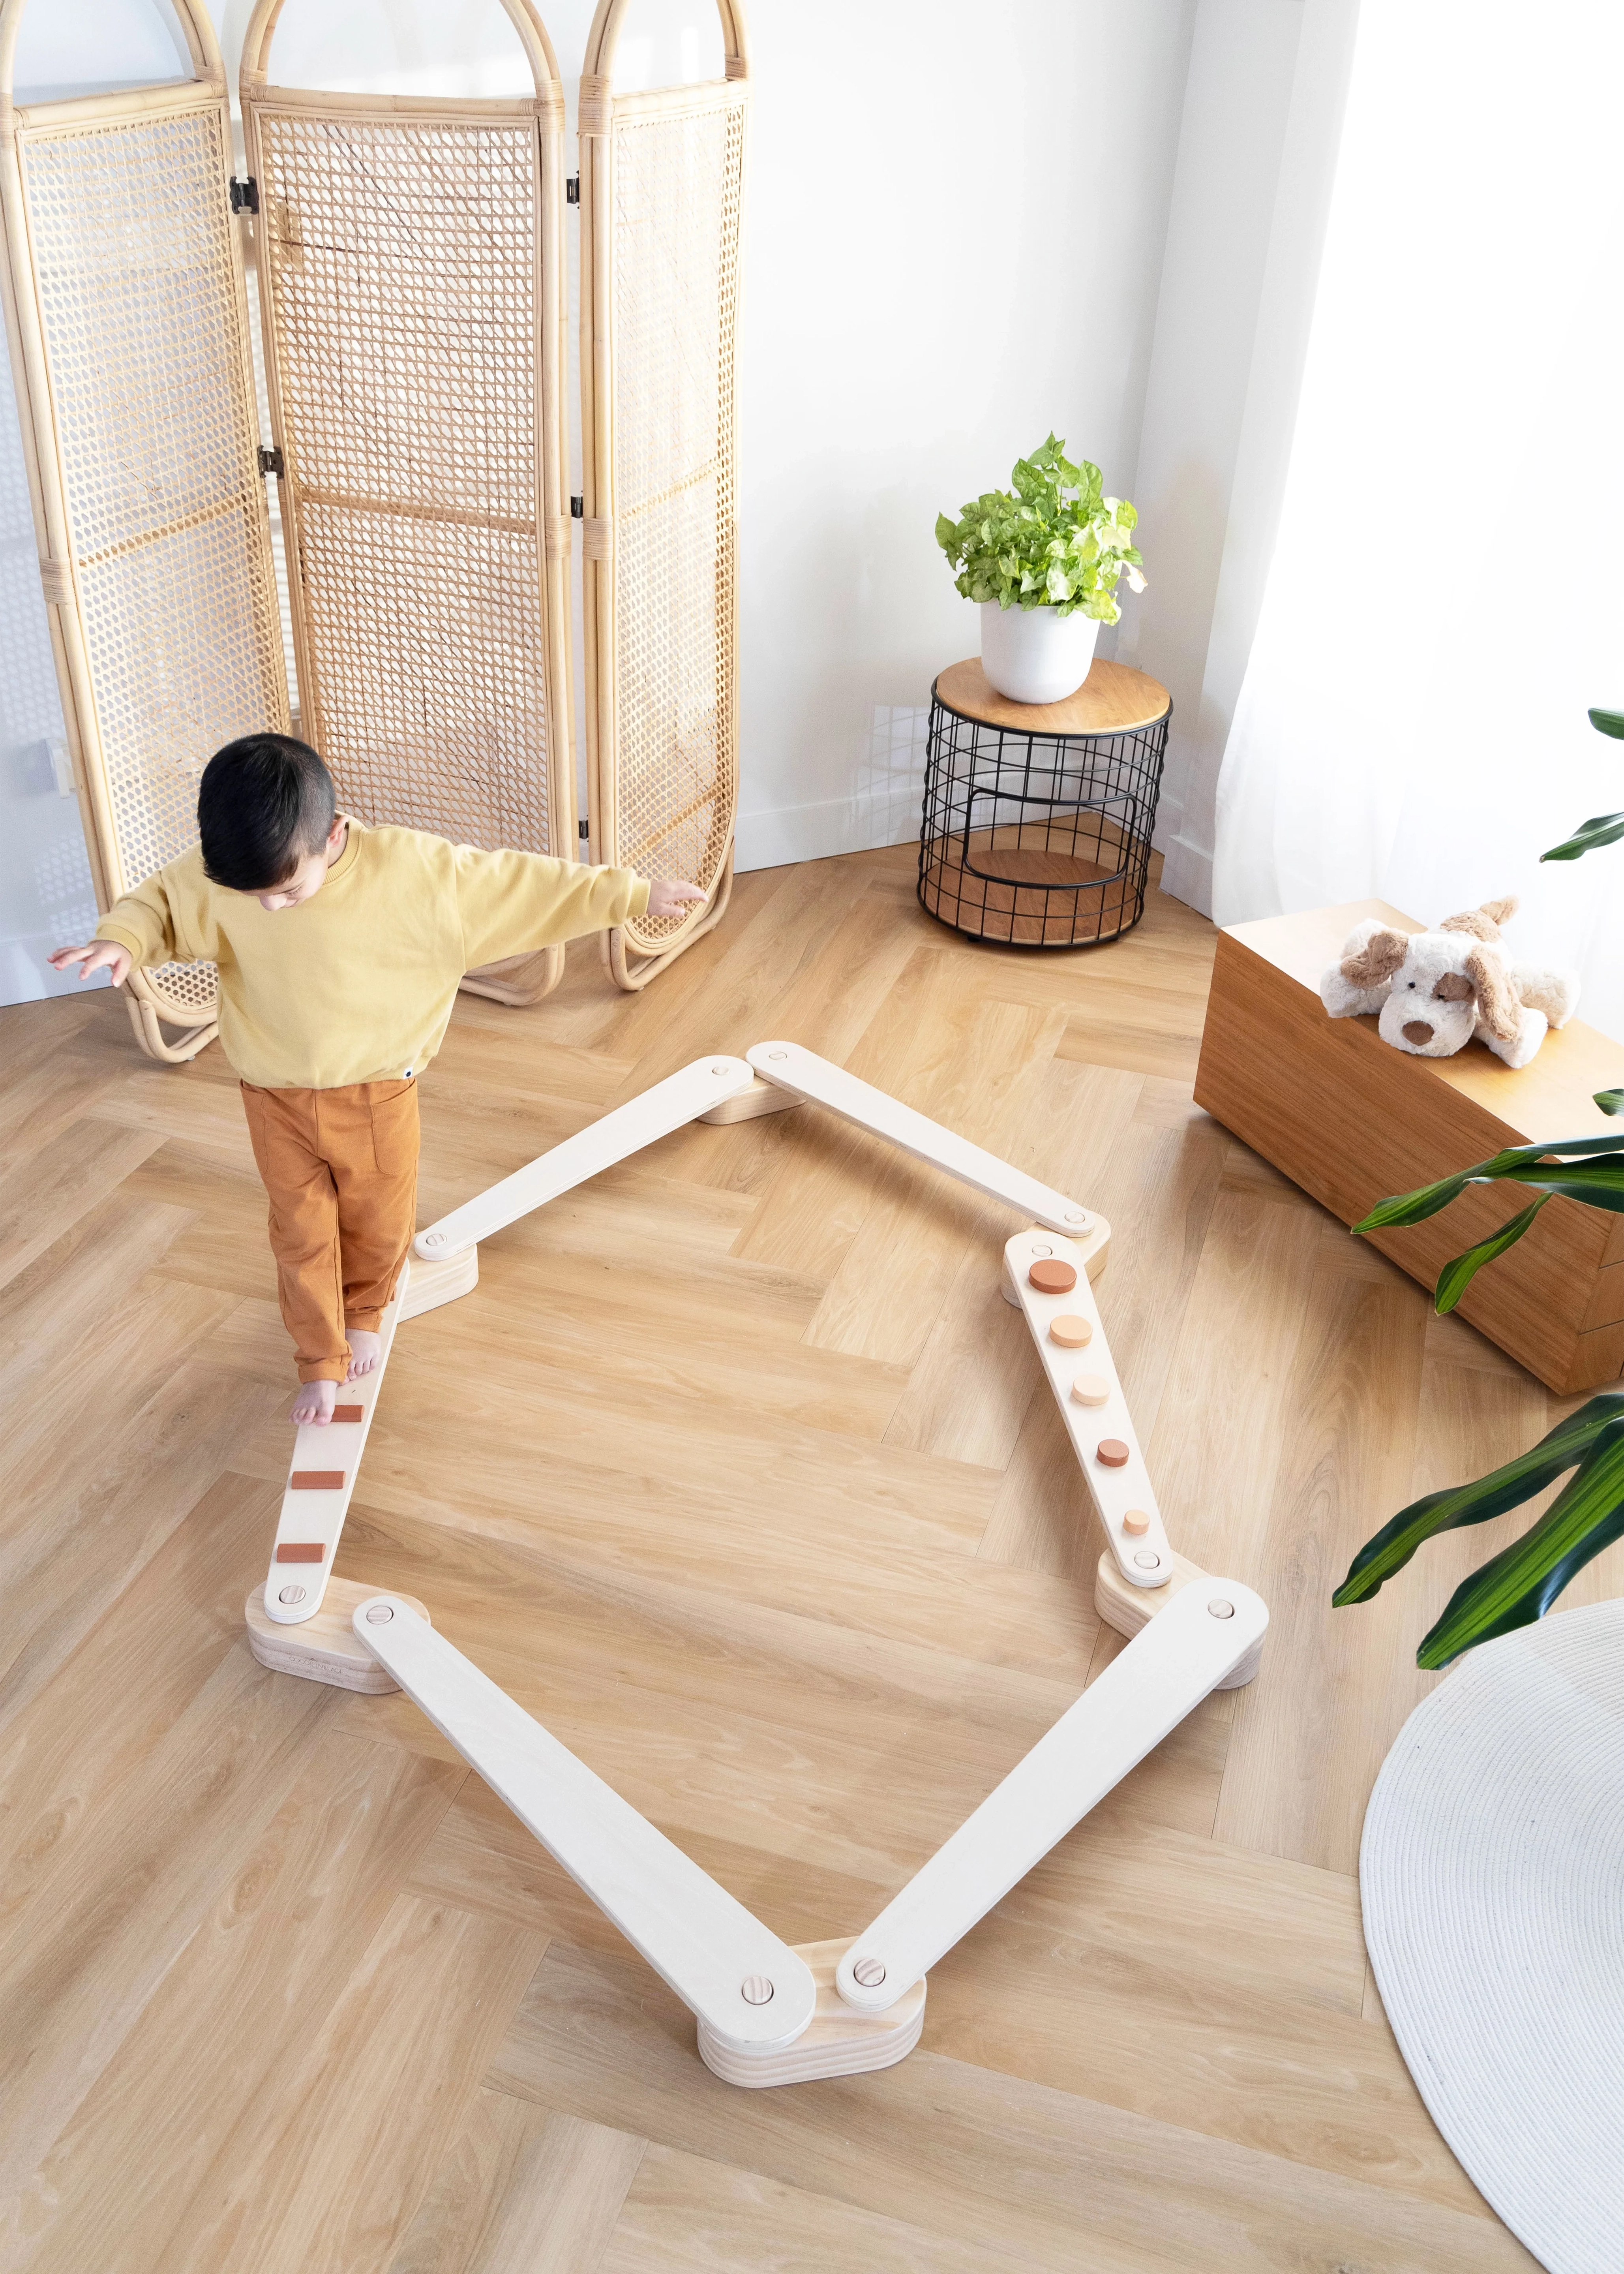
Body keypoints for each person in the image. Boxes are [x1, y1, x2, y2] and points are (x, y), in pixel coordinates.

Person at [50, 734, 705, 1425]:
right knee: (298, 1231)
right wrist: (123, 938)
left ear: (333, 836)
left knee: (377, 1219)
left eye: (288, 890)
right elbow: (161, 903)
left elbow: (524, 884)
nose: (270, 908)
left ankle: (365, 1311)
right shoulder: (224, 876)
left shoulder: (416, 873)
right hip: (272, 1096)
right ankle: (318, 1358)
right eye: (253, 896)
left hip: (376, 1092)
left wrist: (634, 893)